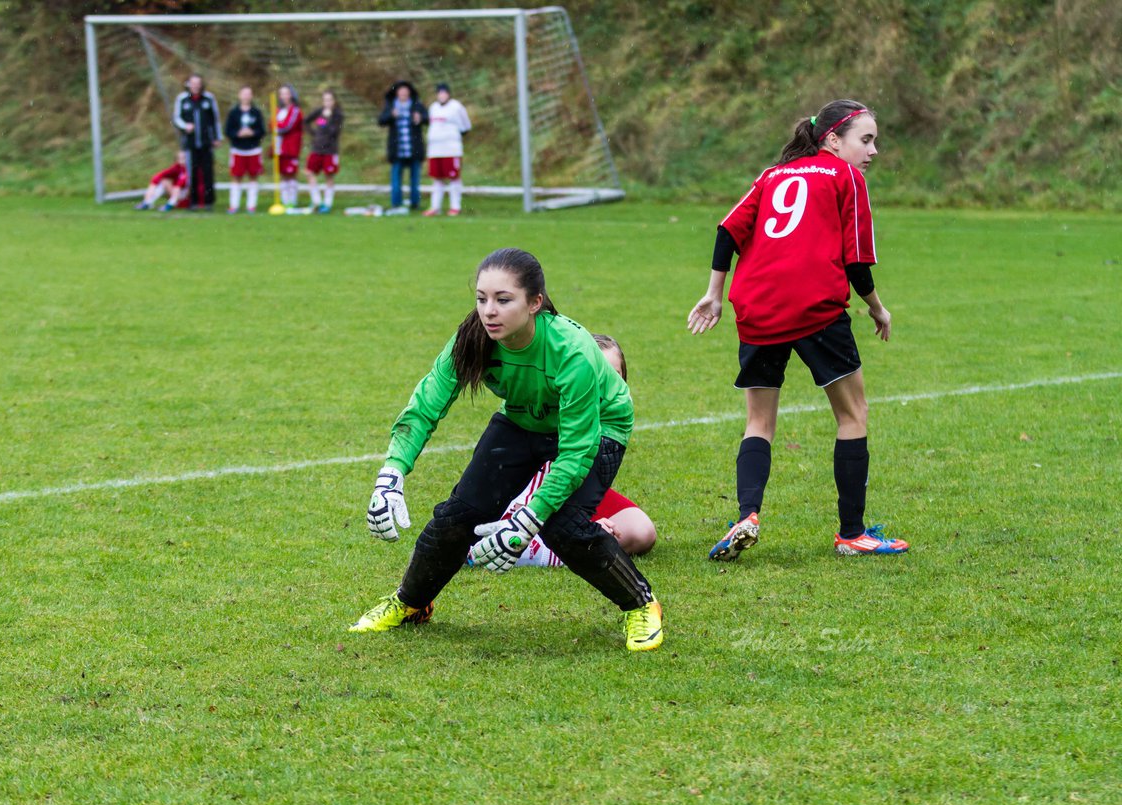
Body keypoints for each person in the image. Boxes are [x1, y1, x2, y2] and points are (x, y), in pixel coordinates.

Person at [354, 248, 664, 652]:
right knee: (456, 517)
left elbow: (575, 452)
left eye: (503, 299)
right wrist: (391, 474)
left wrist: (527, 520)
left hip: (599, 426)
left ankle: (642, 605)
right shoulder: (472, 339)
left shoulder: (573, 351)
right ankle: (410, 604)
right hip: (522, 419)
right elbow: (426, 404)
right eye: (482, 298)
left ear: (535, 303)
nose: (489, 311)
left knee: (563, 526)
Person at [686, 98, 909, 560]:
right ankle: (852, 534)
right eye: (865, 140)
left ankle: (747, 515)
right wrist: (877, 308)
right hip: (814, 307)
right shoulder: (846, 177)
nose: (873, 151)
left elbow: (728, 230)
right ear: (832, 140)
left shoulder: (773, 175)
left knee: (759, 422)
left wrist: (713, 292)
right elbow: (857, 260)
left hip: (756, 306)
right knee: (853, 415)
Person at [502, 334, 657, 567]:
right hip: (532, 495)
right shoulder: (558, 408)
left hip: (578, 493)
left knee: (641, 532)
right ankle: (539, 549)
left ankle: (570, 543)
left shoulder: (618, 412)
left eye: (614, 377)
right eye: (596, 376)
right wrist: (581, 527)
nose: (605, 386)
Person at [171, 73, 221, 211]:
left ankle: (208, 202)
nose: (195, 86)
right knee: (191, 173)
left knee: (208, 172)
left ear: (201, 84)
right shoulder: (182, 99)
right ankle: (192, 202)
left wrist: (217, 137)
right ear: (188, 84)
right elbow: (176, 118)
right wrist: (185, 126)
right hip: (190, 143)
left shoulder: (208, 98)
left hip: (206, 143)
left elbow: (215, 119)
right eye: (193, 83)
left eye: (198, 83)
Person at [377, 80, 428, 211]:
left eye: (406, 91)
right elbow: (381, 120)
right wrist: (391, 115)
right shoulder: (391, 106)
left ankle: (414, 204)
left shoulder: (417, 106)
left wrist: (420, 118)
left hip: (414, 149)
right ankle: (396, 203)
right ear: (397, 93)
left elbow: (428, 118)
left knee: (415, 180)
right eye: (401, 91)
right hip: (397, 150)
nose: (403, 93)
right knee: (395, 180)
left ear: (409, 93)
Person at [423, 82, 472, 217]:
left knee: (453, 177)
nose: (442, 95)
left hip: (451, 149)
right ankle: (435, 207)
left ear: (448, 94)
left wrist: (452, 137)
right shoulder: (433, 107)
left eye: (444, 92)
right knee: (437, 178)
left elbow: (466, 127)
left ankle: (455, 207)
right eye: (439, 92)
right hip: (435, 150)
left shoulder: (456, 107)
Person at [224, 85, 267, 214]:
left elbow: (262, 131)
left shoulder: (256, 113)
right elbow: (227, 130)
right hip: (238, 150)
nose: (246, 96)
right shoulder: (234, 113)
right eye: (244, 94)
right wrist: (238, 134)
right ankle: (234, 205)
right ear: (239, 95)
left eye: (249, 94)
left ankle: (251, 206)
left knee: (253, 176)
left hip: (253, 150)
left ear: (252, 96)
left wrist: (252, 133)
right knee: (236, 176)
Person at [304, 89, 344, 214]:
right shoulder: (319, 112)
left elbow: (333, 132)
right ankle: (316, 200)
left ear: (334, 101)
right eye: (325, 100)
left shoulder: (338, 115)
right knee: (309, 172)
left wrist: (325, 120)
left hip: (330, 150)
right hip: (317, 148)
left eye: (330, 100)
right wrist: (313, 134)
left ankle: (327, 203)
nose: (327, 102)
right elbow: (306, 121)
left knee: (329, 176)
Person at [274, 84, 304, 209]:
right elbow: (272, 125)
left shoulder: (296, 111)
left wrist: (277, 126)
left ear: (291, 95)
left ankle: (292, 200)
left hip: (291, 148)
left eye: (286, 93)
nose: (284, 96)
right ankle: (284, 200)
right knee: (282, 175)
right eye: (282, 93)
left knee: (291, 174)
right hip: (279, 148)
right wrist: (276, 126)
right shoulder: (278, 111)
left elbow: (287, 126)